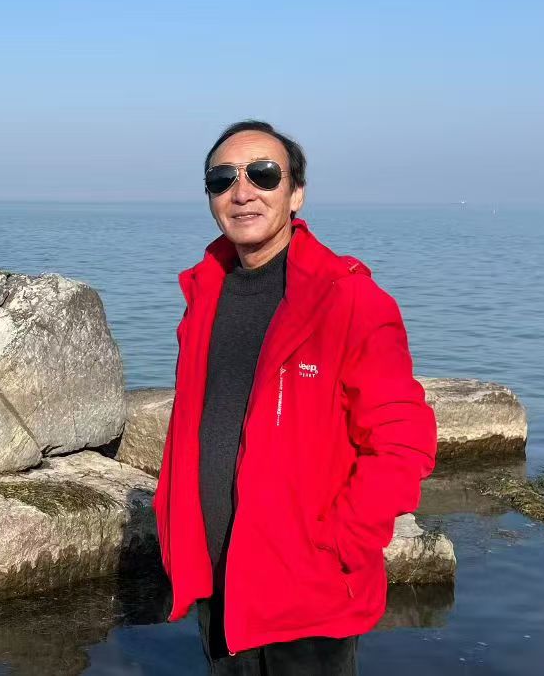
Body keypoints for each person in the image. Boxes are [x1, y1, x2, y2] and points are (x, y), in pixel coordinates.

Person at [152, 121, 438, 675]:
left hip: (308, 597)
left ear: (296, 193)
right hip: (217, 584)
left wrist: (339, 544)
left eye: (263, 174)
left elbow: (403, 444)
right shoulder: (205, 294)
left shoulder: (349, 299)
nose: (242, 192)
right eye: (222, 179)